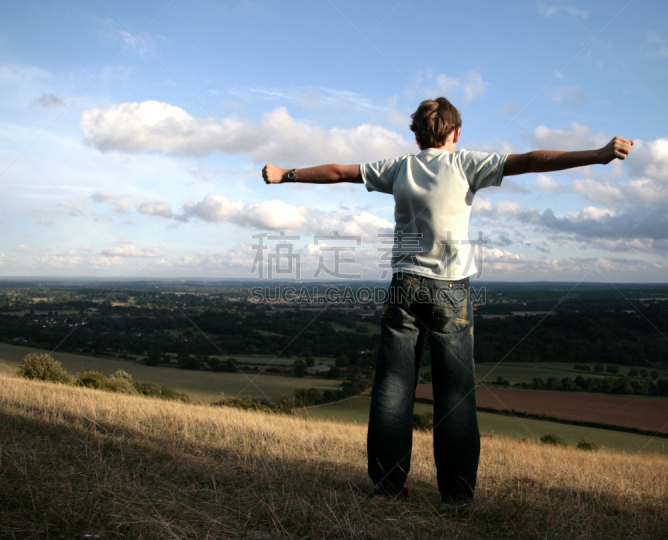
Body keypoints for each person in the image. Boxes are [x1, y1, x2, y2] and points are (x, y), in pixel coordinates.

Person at [262, 97, 632, 505]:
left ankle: (388, 488)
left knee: (392, 388)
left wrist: (285, 174)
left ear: (416, 135)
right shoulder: (464, 164)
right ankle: (456, 497)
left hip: (404, 286)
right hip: (450, 291)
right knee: (455, 395)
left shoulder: (399, 167)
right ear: (456, 133)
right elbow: (531, 159)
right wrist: (596, 155)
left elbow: (339, 171)